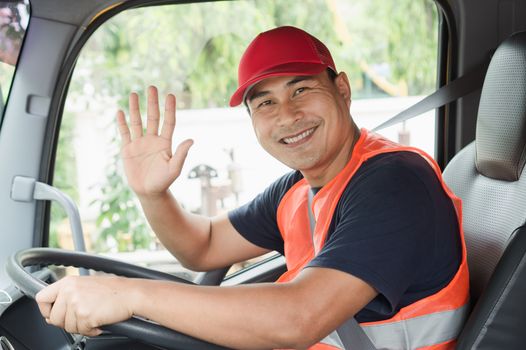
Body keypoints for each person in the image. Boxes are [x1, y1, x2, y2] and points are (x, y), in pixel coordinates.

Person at [36, 26, 469, 349]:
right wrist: (153, 195)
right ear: (253, 120)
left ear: (342, 90)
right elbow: (202, 247)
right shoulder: (297, 190)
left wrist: (127, 294)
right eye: (265, 102)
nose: (287, 114)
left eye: (301, 89)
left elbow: (299, 317)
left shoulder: (394, 182)